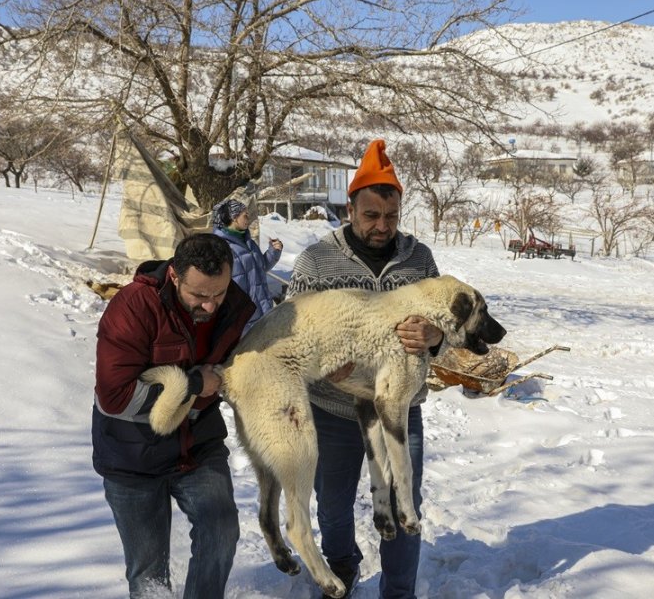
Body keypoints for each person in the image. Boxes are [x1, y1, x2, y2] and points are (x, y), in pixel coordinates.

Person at [286, 139, 444, 599]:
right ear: (350, 209)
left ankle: (398, 591)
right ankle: (343, 568)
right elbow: (290, 328)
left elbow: (443, 322)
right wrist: (321, 365)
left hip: (399, 408)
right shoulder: (317, 260)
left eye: (391, 217)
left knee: (403, 502)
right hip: (333, 409)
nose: (382, 226)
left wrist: (434, 338)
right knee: (333, 507)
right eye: (371, 215)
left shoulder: (420, 259)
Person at [92, 233, 255, 599]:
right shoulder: (133, 306)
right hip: (131, 453)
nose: (211, 306)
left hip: (197, 444)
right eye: (199, 295)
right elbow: (115, 396)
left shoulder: (234, 305)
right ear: (175, 277)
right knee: (148, 571)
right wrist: (195, 383)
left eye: (219, 293)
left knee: (220, 529)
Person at [211, 198, 283, 334]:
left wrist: (274, 252)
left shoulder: (248, 242)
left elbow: (259, 268)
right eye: (245, 215)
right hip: (241, 320)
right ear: (233, 217)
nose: (248, 218)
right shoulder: (220, 247)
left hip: (262, 311)